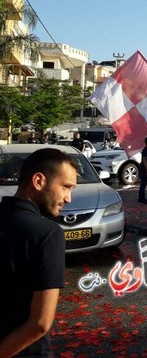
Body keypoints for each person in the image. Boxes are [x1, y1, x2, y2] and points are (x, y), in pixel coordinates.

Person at [0, 148, 77, 357]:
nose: (69, 198)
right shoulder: (48, 234)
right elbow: (40, 323)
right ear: (38, 181)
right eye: (65, 187)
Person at [138, 136, 147, 204]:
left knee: (144, 183)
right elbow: (144, 160)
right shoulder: (146, 149)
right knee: (143, 183)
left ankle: (142, 197)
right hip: (143, 169)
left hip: (145, 168)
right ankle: (141, 198)